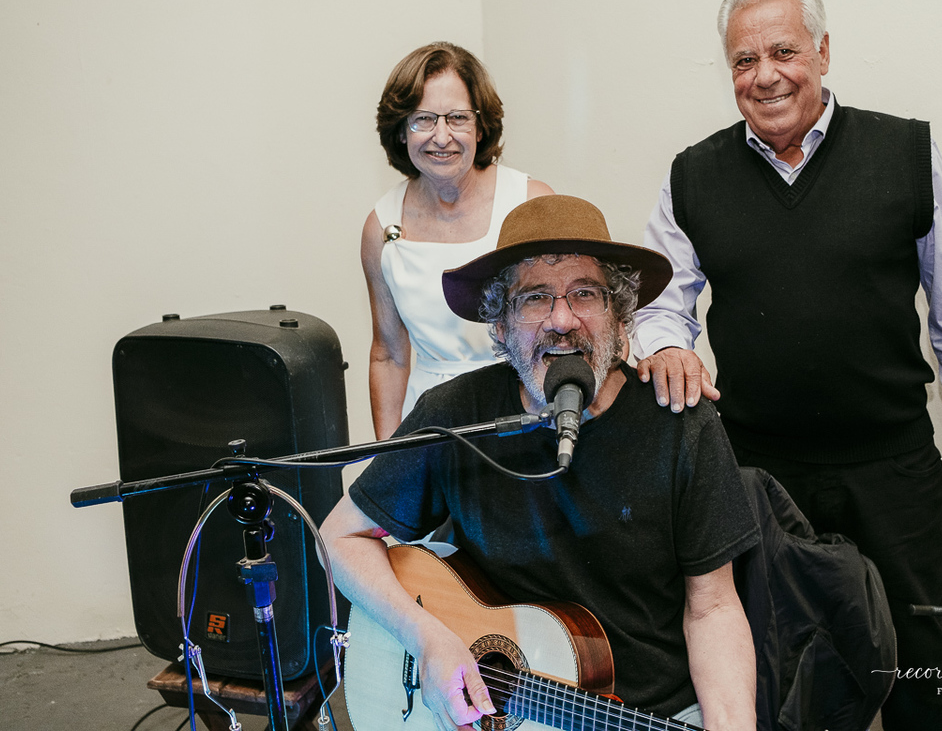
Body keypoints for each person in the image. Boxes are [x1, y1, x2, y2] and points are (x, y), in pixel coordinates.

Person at [633, 0, 942, 730]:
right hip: (758, 474)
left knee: (915, 666)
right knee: (776, 667)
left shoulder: (904, 152)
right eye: (744, 60)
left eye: (783, 51)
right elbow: (655, 303)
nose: (765, 75)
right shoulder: (692, 175)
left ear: (823, 52)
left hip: (892, 466)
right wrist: (668, 345)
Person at [322, 194, 760, 730]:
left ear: (619, 318)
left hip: (650, 711)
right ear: (501, 325)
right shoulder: (457, 415)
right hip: (499, 710)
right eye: (534, 298)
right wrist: (428, 638)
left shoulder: (679, 422)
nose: (561, 319)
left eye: (584, 294)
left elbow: (712, 608)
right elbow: (341, 537)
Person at [364, 42, 554, 439]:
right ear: (401, 130)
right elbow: (388, 355)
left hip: (524, 412)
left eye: (457, 118)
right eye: (423, 119)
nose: (441, 136)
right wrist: (386, 457)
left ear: (481, 126)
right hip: (430, 423)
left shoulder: (532, 203)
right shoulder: (381, 225)